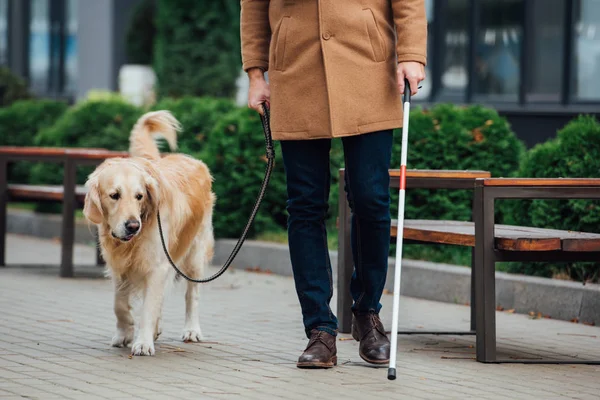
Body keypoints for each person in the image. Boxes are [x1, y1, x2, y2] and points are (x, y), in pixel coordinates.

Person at [240, 0, 427, 368]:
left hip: (368, 69)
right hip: (295, 72)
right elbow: (253, 4)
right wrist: (255, 73)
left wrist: (412, 53)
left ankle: (367, 313)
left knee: (371, 197)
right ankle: (320, 330)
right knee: (305, 204)